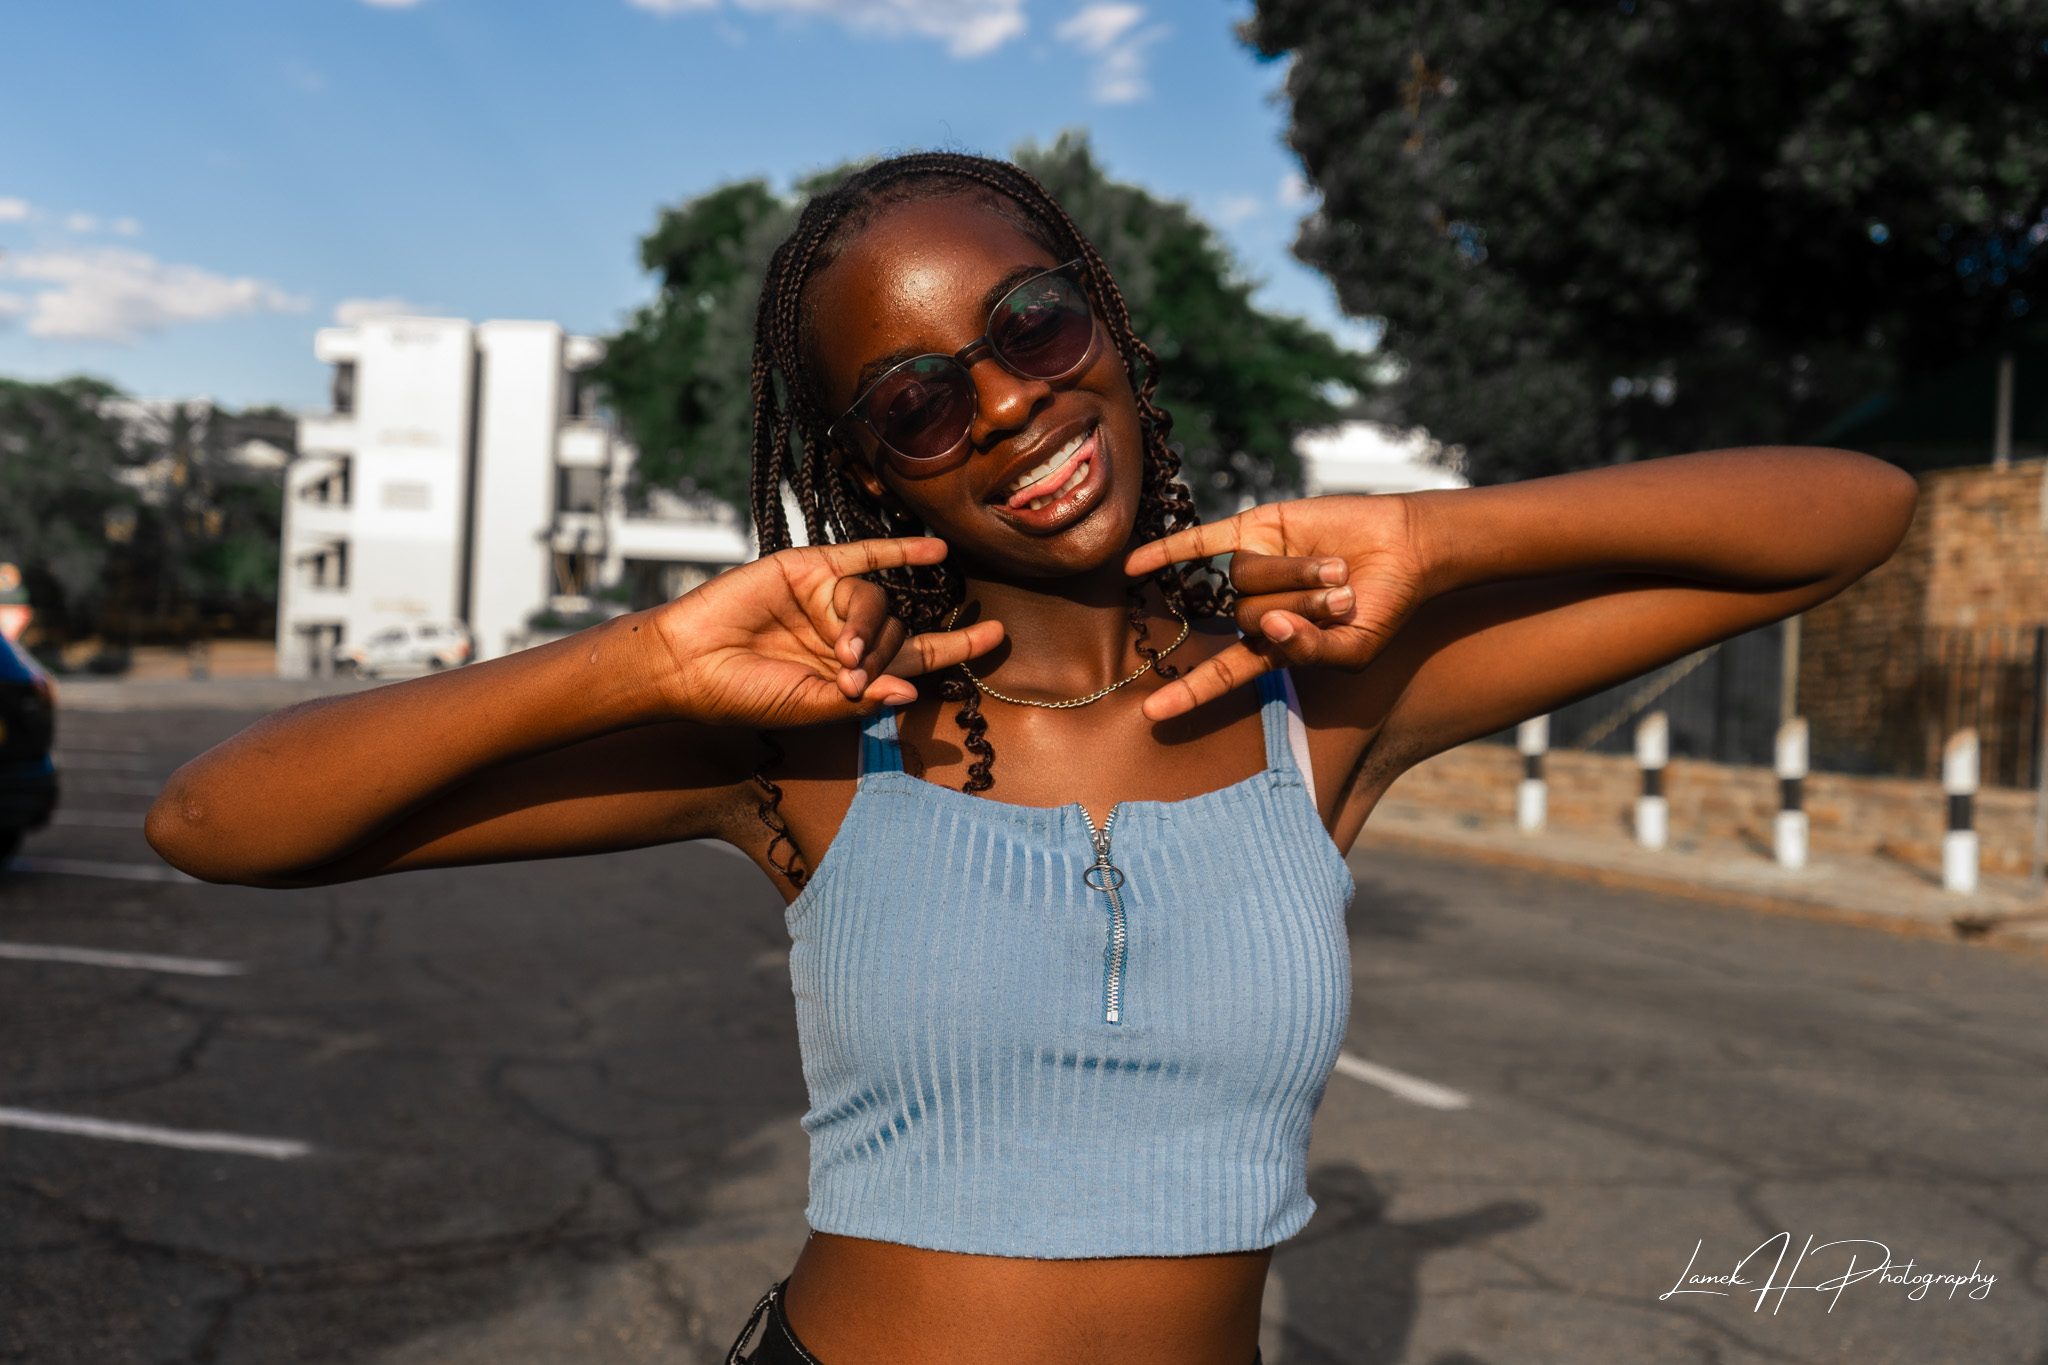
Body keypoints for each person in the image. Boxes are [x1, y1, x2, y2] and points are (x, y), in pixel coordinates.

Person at [147, 152, 1917, 1364]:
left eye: (1030, 327)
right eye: (917, 401)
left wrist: (1446, 536)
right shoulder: (817, 751)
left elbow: (1846, 517)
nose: (1004, 405)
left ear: (1109, 328)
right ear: (870, 471)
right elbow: (217, 821)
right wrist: (641, 656)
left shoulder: (1315, 698)